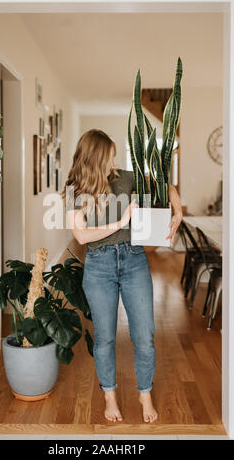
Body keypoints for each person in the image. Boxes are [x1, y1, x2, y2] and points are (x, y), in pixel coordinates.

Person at [61, 129, 183, 423]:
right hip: (99, 267)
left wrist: (177, 212)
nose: (113, 162)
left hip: (134, 260)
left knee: (145, 335)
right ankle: (110, 398)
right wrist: (121, 221)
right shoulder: (74, 190)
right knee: (104, 339)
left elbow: (164, 185)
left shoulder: (126, 179)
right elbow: (81, 234)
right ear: (95, 157)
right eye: (109, 156)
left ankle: (145, 395)